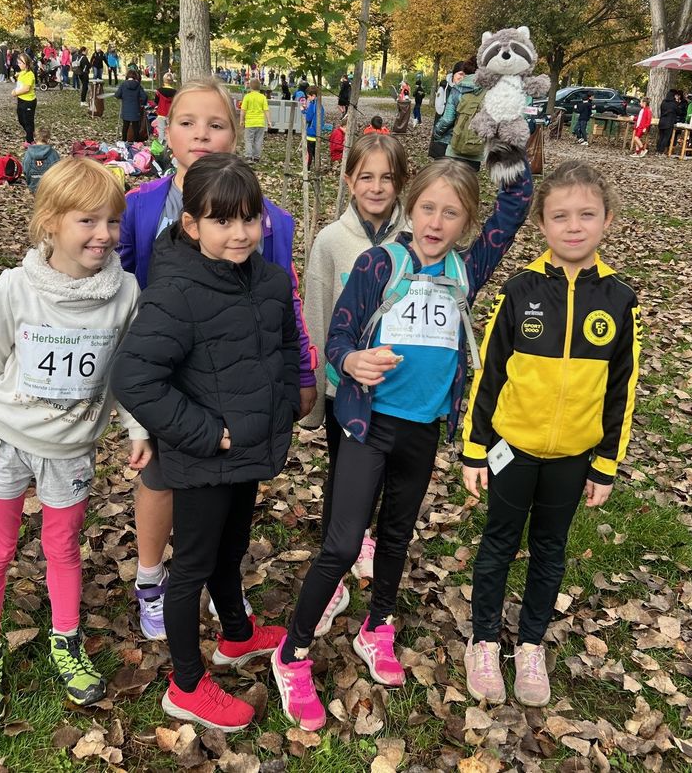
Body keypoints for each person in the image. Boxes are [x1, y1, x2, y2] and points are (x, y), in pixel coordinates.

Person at [274, 155, 535, 731]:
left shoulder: (467, 270)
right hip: (368, 423)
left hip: (422, 429)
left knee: (396, 534)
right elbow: (339, 333)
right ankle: (291, 653)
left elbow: (513, 210)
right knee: (342, 546)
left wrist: (511, 140)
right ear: (408, 208)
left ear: (467, 224)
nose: (436, 222)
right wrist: (351, 359)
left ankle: (378, 626)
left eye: (452, 213)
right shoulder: (378, 264)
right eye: (426, 208)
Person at [0, 158, 152, 725]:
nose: (103, 235)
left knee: (63, 548)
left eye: (112, 222)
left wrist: (136, 427)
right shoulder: (15, 289)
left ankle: (66, 639)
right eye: (87, 221)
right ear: (50, 222)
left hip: (71, 451)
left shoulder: (125, 292)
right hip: (6, 442)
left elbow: (125, 374)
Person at [117, 77, 316, 643]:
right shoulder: (140, 207)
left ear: (237, 132)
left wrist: (296, 379)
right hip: (169, 385)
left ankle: (231, 614)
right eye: (187, 122)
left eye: (217, 123)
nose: (201, 133)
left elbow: (281, 303)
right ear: (166, 130)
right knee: (162, 485)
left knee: (228, 522)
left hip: (236, 387)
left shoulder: (269, 218)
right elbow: (127, 288)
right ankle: (154, 582)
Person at [111, 153, 297, 732]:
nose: (240, 233)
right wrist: (203, 433)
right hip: (202, 457)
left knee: (231, 547)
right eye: (223, 221)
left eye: (249, 219)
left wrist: (283, 404)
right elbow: (135, 376)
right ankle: (186, 683)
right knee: (191, 567)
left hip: (249, 448)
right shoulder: (176, 292)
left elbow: (285, 346)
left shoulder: (267, 279)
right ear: (192, 225)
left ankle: (237, 636)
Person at [461, 159, 640, 707]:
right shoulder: (519, 291)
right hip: (511, 449)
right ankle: (484, 641)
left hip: (573, 456)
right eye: (560, 216)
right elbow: (489, 374)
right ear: (542, 224)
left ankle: (532, 643)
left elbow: (621, 390)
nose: (574, 226)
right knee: (498, 544)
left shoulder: (619, 299)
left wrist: (606, 460)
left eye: (587, 214)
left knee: (550, 550)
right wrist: (475, 449)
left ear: (607, 220)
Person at [299, 134, 410, 637]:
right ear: (349, 181)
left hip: (396, 391)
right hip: (344, 388)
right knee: (342, 475)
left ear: (401, 182)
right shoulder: (331, 241)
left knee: (379, 477)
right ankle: (334, 559)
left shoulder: (416, 239)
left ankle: (362, 535)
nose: (377, 186)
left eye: (387, 177)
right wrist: (322, 385)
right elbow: (318, 313)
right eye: (366, 176)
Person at [432, 58, 483, 168]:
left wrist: (436, 133)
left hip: (454, 144)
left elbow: (447, 119)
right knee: (468, 182)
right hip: (474, 146)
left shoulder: (458, 89)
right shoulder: (487, 91)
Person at [240, 77, 272, 162]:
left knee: (249, 140)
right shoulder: (262, 97)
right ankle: (257, 157)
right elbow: (266, 110)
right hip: (260, 122)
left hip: (250, 122)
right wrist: (269, 121)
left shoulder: (247, 97)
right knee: (258, 140)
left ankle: (249, 157)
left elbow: (243, 110)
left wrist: (241, 120)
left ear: (250, 86)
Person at [23, 126, 61, 192]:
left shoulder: (28, 153)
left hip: (32, 186)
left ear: (34, 138)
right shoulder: (53, 153)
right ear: (48, 139)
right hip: (48, 187)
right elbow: (58, 170)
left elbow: (25, 170)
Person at [114, 69, 148, 143]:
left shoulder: (123, 84)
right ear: (135, 76)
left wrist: (121, 97)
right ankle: (136, 142)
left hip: (126, 110)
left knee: (125, 126)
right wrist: (143, 103)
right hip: (135, 110)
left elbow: (117, 95)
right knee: (136, 127)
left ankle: (124, 141)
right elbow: (144, 96)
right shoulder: (138, 85)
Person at [11, 53, 37, 147]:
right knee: (21, 119)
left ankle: (29, 141)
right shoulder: (22, 73)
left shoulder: (30, 75)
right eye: (18, 62)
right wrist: (16, 76)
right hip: (21, 100)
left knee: (28, 121)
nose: (19, 64)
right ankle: (31, 133)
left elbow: (26, 88)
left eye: (21, 63)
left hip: (29, 101)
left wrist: (15, 93)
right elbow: (19, 81)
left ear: (26, 63)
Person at [154, 72, 177, 144]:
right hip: (171, 114)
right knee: (170, 130)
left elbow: (156, 102)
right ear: (172, 81)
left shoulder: (159, 91)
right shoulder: (175, 92)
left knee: (161, 130)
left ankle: (161, 145)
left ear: (164, 81)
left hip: (161, 113)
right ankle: (169, 144)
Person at [304, 85, 324, 167]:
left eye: (308, 96)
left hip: (311, 132)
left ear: (313, 96)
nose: (307, 98)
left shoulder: (312, 105)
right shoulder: (320, 105)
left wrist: (305, 109)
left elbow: (308, 118)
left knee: (309, 152)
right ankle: (317, 165)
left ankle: (307, 168)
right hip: (317, 131)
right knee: (316, 151)